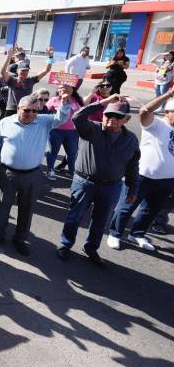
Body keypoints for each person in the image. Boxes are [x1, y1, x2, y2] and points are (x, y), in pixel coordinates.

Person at [0, 91, 71, 255]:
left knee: (27, 209)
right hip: (7, 173)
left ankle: (19, 239)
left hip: (32, 175)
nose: (31, 114)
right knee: (2, 206)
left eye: (35, 111)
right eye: (27, 110)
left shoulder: (44, 121)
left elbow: (61, 118)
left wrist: (64, 104)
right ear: (18, 109)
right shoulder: (6, 122)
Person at [56, 96, 140, 265]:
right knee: (75, 216)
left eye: (118, 116)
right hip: (84, 183)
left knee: (101, 221)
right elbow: (77, 117)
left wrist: (132, 189)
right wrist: (104, 101)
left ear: (127, 119)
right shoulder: (91, 129)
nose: (112, 119)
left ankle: (91, 248)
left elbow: (132, 166)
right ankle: (66, 244)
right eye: (108, 115)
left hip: (112, 187)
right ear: (103, 115)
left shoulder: (130, 139)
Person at [107, 90, 174, 252]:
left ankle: (137, 234)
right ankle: (115, 234)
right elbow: (145, 111)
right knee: (127, 205)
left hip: (167, 179)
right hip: (143, 176)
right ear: (167, 112)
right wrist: (168, 94)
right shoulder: (155, 124)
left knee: (151, 209)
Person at [0, 45, 54, 117]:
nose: (24, 72)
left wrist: (50, 57)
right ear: (17, 71)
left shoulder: (31, 80)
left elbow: (47, 70)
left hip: (26, 110)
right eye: (22, 70)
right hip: (12, 110)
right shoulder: (12, 80)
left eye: (26, 70)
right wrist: (8, 57)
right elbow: (3, 72)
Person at [45, 84, 83, 180]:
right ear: (58, 90)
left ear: (72, 89)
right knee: (53, 152)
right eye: (61, 87)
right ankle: (50, 170)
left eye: (67, 87)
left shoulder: (76, 100)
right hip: (55, 131)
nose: (64, 89)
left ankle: (71, 171)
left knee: (72, 153)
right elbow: (44, 112)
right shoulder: (53, 100)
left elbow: (82, 113)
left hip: (72, 132)